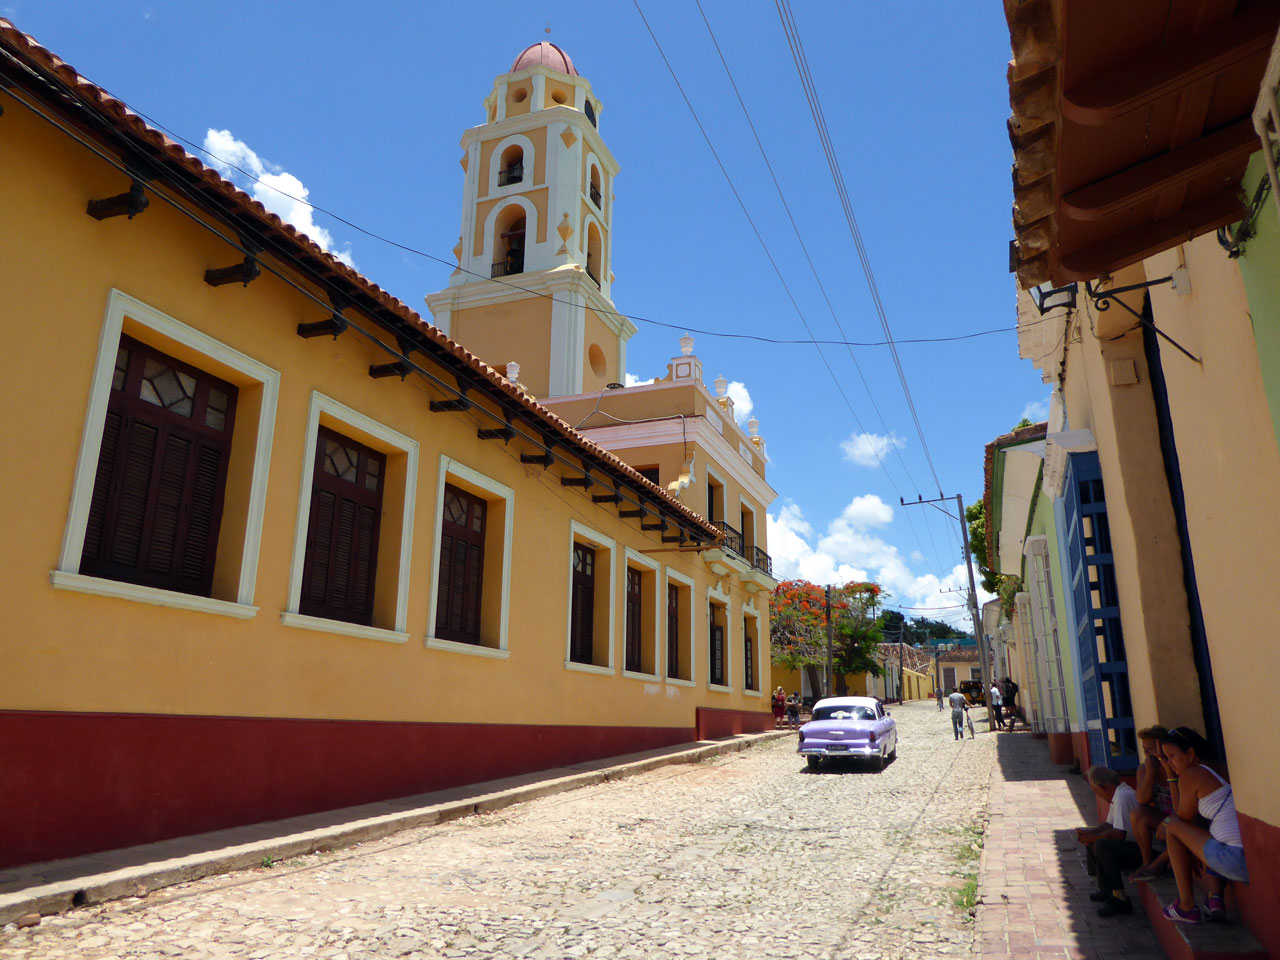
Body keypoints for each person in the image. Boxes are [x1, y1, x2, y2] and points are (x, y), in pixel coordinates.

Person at [1157, 727, 1248, 924]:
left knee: (1173, 827)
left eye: (1171, 756)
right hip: (1248, 857)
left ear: (1190, 753)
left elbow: (1181, 817)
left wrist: (1171, 778)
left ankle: (1186, 905)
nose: (1169, 763)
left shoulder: (1192, 775)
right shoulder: (1221, 766)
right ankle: (1215, 898)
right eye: (1165, 758)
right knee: (1207, 828)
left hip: (1233, 860)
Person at [1075, 765, 1142, 917]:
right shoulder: (1118, 795)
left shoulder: (1122, 797)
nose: (1097, 795)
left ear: (1102, 787)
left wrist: (1094, 837)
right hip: (1131, 846)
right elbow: (1110, 824)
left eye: (1095, 790)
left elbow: (1119, 835)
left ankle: (1120, 898)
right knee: (1095, 840)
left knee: (1102, 845)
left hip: (1141, 850)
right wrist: (1090, 833)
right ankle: (1106, 889)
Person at [1128, 725, 1173, 882]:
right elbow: (1142, 800)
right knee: (1137, 813)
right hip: (1161, 817)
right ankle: (1146, 862)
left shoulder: (1175, 765)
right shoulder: (1144, 769)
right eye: (1144, 749)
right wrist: (1151, 773)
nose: (1146, 753)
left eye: (1150, 748)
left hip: (1181, 816)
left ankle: (1160, 864)